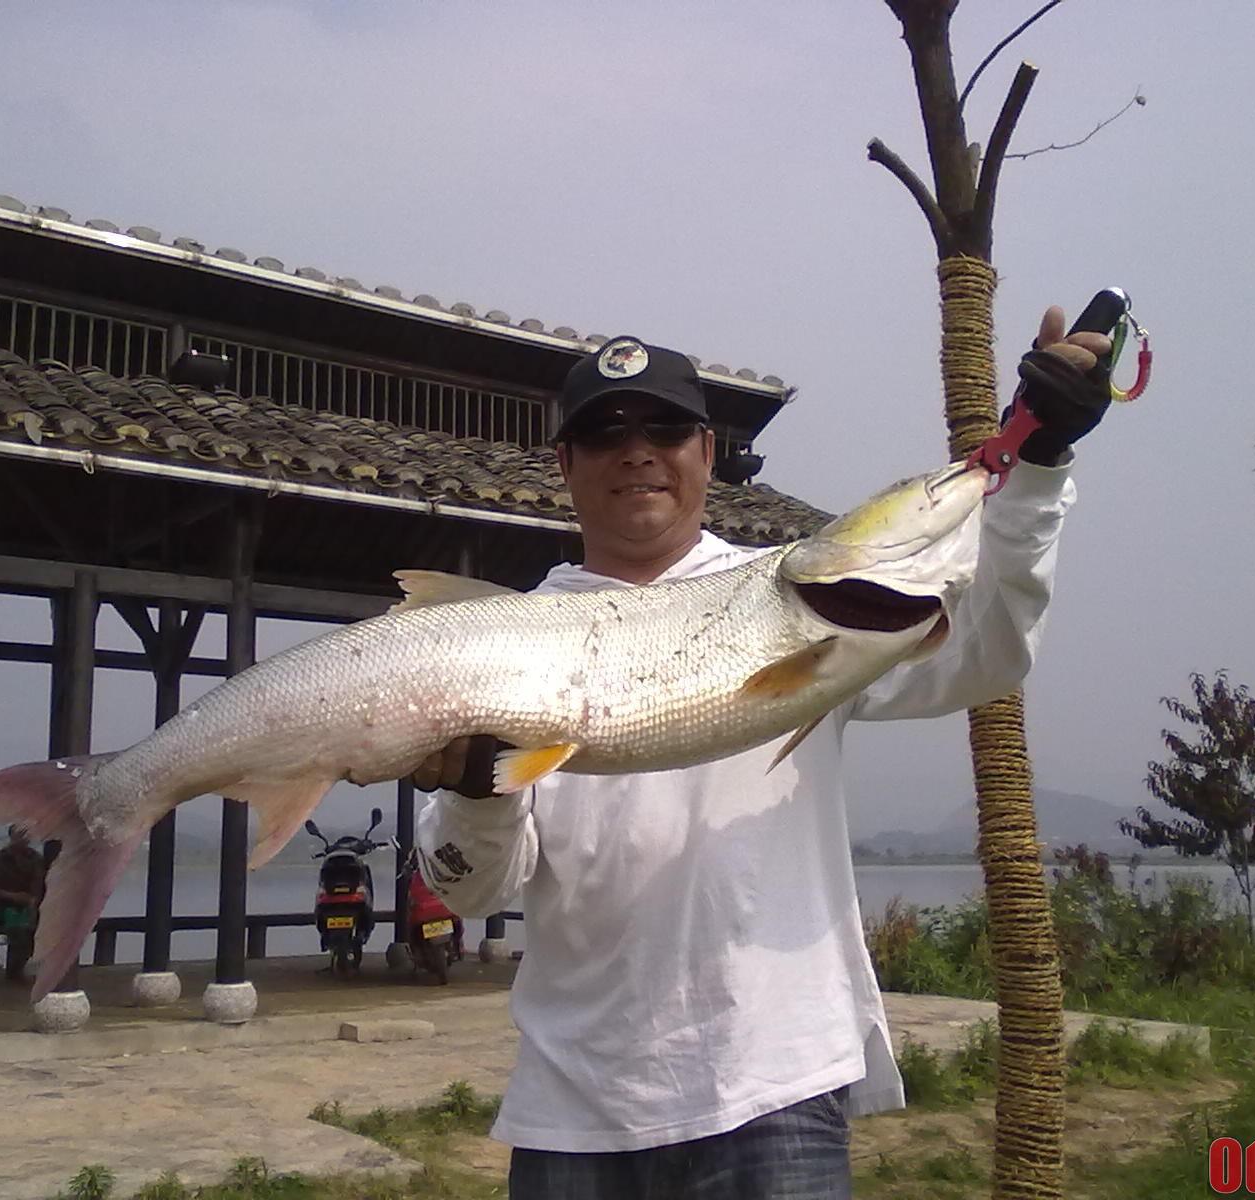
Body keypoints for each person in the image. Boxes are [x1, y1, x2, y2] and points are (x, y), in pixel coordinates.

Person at [412, 308, 1113, 1199]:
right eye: (604, 432)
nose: (637, 451)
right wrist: (477, 789)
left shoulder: (810, 599)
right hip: (574, 1110)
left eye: (666, 428)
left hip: (776, 1090)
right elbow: (470, 893)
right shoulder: (504, 640)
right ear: (565, 463)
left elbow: (991, 648)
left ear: (707, 451)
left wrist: (1039, 465)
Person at [0, 823, 45, 981]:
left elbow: (40, 887)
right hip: (0, 908)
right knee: (19, 929)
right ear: (12, 836)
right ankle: (14, 972)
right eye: (20, 834)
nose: (24, 838)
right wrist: (14, 896)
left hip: (27, 908)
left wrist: (32, 901)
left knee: (35, 926)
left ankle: (24, 967)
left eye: (27, 834)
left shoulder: (36, 859)